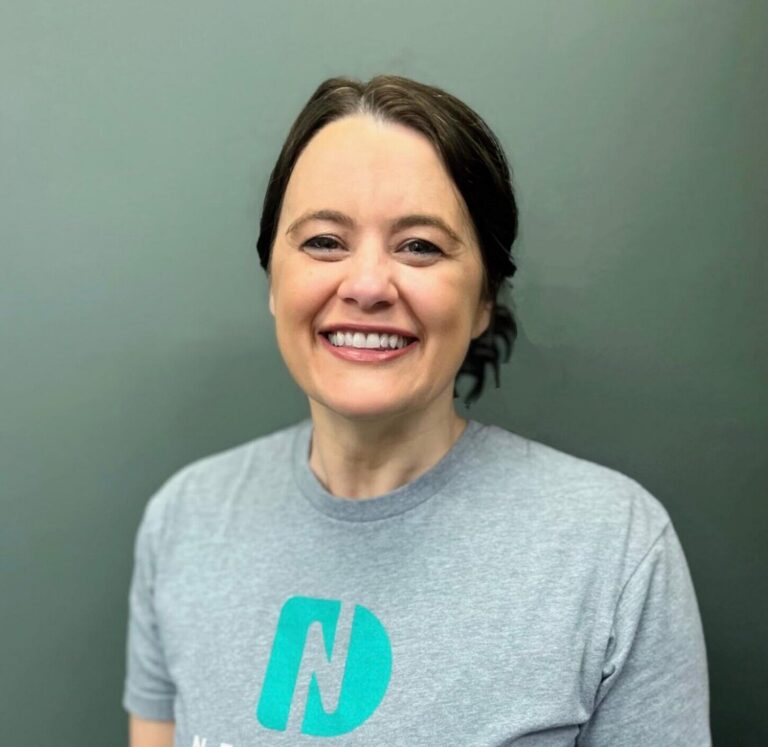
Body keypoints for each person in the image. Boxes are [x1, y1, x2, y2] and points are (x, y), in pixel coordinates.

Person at [123, 75, 711, 746]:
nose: (368, 284)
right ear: (273, 278)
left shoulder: (614, 551)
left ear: (485, 300)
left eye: (420, 246)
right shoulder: (184, 522)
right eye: (322, 241)